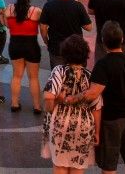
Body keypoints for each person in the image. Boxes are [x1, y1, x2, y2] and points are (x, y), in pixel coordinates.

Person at [81, 21, 125, 174]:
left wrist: (70, 99)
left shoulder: (102, 65)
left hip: (111, 119)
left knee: (109, 165)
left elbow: (93, 93)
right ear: (122, 39)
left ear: (103, 41)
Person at [41, 34, 102, 174]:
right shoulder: (90, 76)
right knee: (77, 166)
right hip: (84, 125)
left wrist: (56, 101)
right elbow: (96, 107)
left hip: (60, 123)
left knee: (60, 165)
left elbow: (48, 96)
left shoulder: (59, 71)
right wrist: (97, 132)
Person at [40, 0, 93, 69]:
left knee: (58, 77)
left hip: (57, 48)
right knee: (77, 78)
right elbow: (89, 27)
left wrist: (47, 41)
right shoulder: (78, 6)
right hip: (76, 49)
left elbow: (42, 28)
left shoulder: (48, 6)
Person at [6, 0, 43, 113]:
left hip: (15, 44)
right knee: (33, 77)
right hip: (31, 45)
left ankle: (14, 103)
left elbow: (7, 24)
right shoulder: (36, 11)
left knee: (17, 76)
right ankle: (37, 106)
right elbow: (44, 27)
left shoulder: (9, 9)